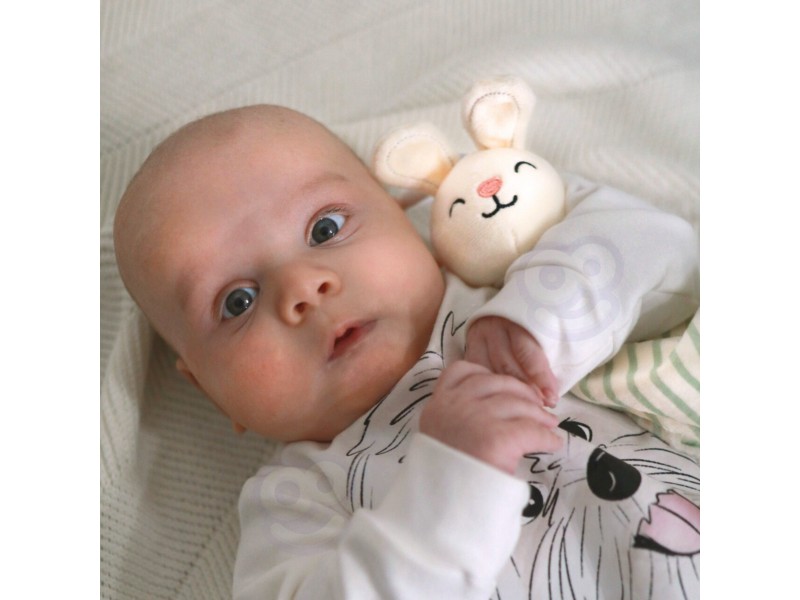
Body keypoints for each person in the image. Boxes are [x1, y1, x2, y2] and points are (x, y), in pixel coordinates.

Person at [114, 104, 700, 599]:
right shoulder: (297, 501)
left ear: (407, 219)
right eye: (237, 301)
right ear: (211, 390)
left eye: (325, 229)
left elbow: (662, 248)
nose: (302, 288)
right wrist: (453, 477)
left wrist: (538, 321)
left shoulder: (512, 288)